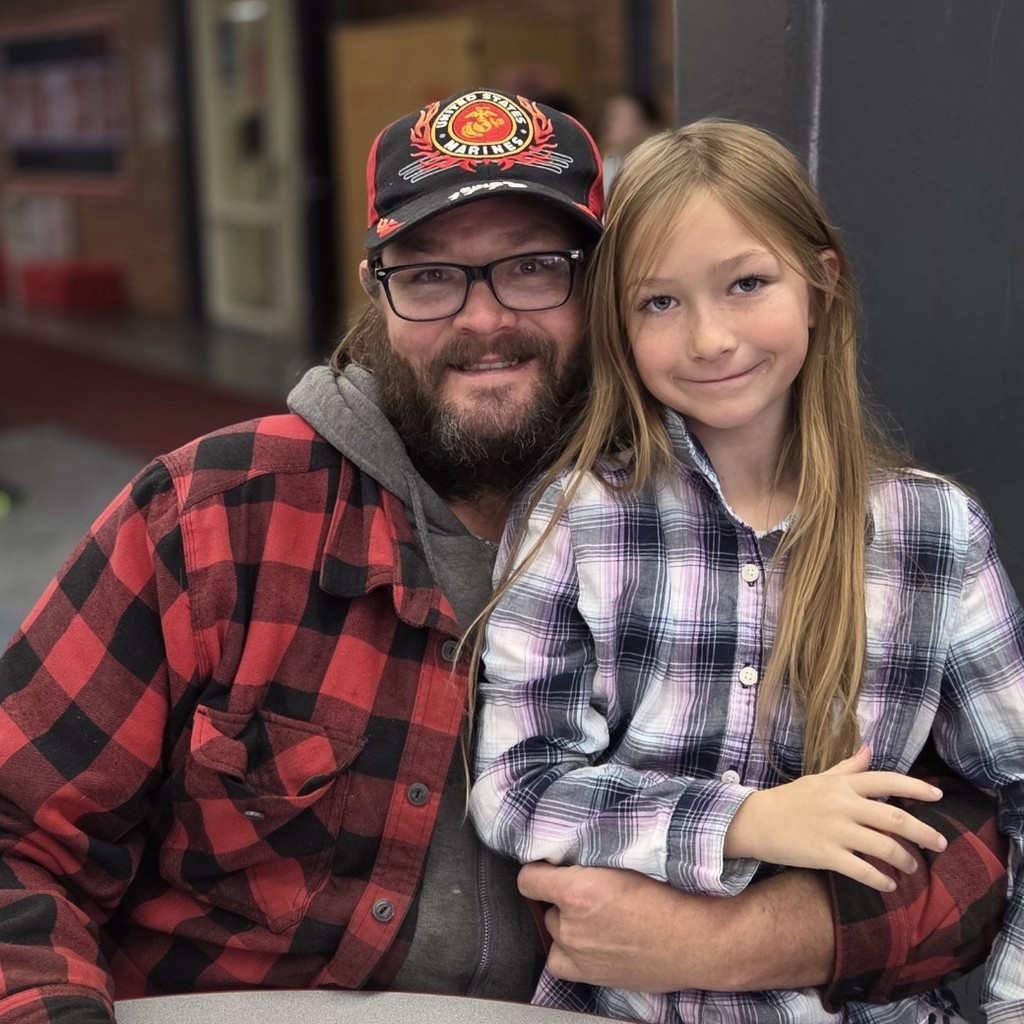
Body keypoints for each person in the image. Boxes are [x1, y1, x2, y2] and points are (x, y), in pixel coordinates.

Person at [0, 91, 1004, 1021]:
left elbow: (969, 841)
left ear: (598, 290)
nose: (483, 319)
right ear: (376, 294)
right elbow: (16, 831)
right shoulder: (215, 516)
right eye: (430, 275)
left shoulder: (742, 545)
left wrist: (740, 941)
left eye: (532, 268)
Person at [469, 118, 1024, 1023]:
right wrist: (744, 823)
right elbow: (516, 784)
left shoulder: (934, 533)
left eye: (747, 284)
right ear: (619, 326)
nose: (711, 338)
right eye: (659, 303)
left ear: (820, 283)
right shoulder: (576, 519)